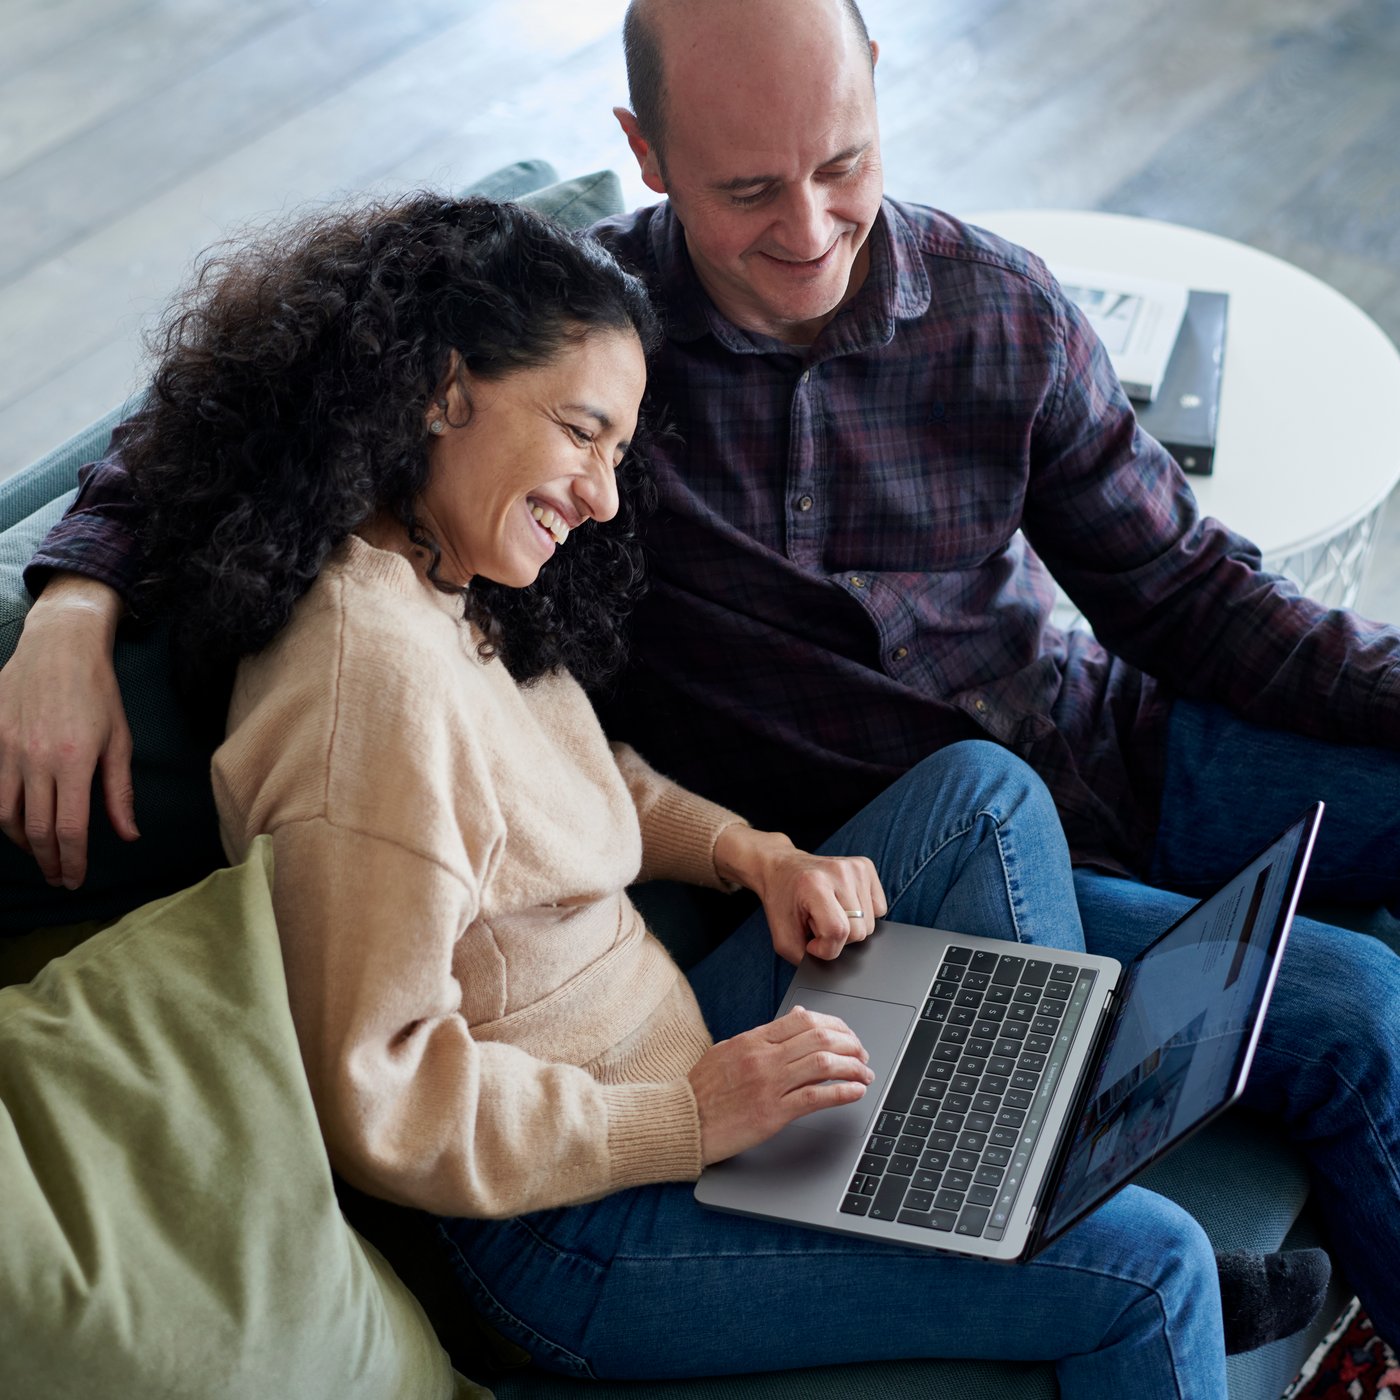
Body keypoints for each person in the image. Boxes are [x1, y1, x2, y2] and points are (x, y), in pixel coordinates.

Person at [0, 0, 1389, 1361]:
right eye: (746, 187)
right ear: (647, 153)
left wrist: (748, 854)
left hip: (1012, 803)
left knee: (986, 789)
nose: (806, 228)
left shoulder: (477, 559)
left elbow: (1190, 594)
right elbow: (217, 409)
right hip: (586, 1189)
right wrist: (67, 609)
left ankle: (1013, 1156)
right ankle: (1061, 1194)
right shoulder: (415, 608)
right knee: (1250, 1139)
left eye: (842, 165)